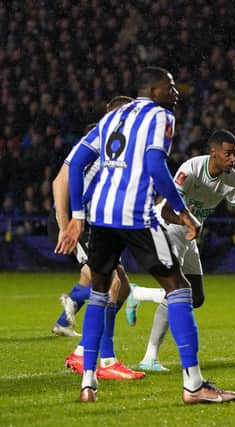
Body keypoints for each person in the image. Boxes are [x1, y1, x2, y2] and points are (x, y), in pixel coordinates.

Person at [56, 66, 235, 404]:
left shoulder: (112, 116)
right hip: (136, 214)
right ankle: (194, 386)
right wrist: (182, 211)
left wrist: (78, 216)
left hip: (101, 216)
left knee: (98, 293)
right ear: (154, 90)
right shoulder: (160, 116)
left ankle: (88, 384)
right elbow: (155, 164)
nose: (176, 93)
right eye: (170, 87)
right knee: (179, 288)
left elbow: (78, 161)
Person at [126, 129, 235, 371]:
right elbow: (167, 209)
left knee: (195, 298)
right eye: (228, 154)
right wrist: (188, 223)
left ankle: (138, 294)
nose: (233, 159)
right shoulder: (191, 169)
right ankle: (150, 357)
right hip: (168, 227)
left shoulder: (232, 180)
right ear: (213, 153)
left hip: (189, 233)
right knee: (176, 291)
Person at [49, 95, 145, 379]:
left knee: (122, 288)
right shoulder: (101, 136)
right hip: (83, 224)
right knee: (111, 284)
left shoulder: (118, 146)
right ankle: (105, 360)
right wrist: (66, 225)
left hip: (98, 222)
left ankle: (82, 350)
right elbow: (60, 180)